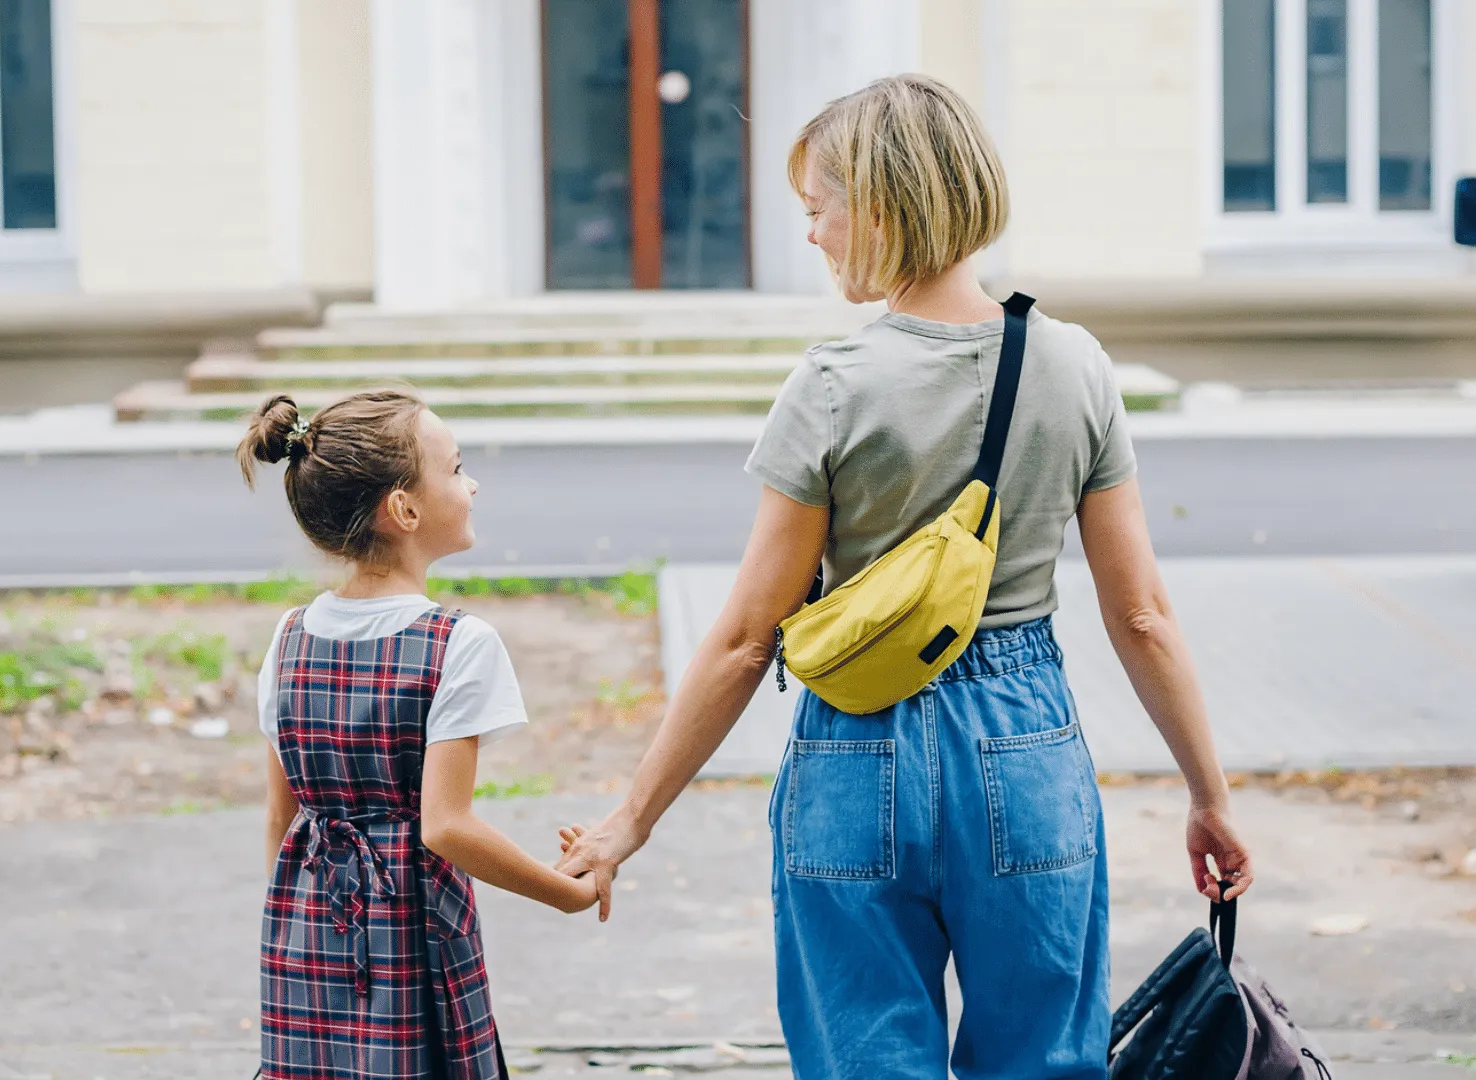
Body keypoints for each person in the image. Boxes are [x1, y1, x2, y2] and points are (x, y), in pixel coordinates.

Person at [556, 75, 1254, 1078]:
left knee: (863, 1057)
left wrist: (632, 819)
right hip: (1025, 745)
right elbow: (1140, 615)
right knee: (1044, 1058)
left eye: (818, 211)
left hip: (856, 750)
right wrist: (1209, 794)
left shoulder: (832, 387)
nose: (812, 237)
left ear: (878, 207)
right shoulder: (1075, 368)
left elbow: (750, 635)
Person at [239, 390, 597, 1079]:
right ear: (404, 510)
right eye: (457, 469)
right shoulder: (457, 644)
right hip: (414, 934)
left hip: (306, 931)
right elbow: (446, 826)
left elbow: (283, 818)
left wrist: (299, 932)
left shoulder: (289, 639)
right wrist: (569, 891)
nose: (473, 484)